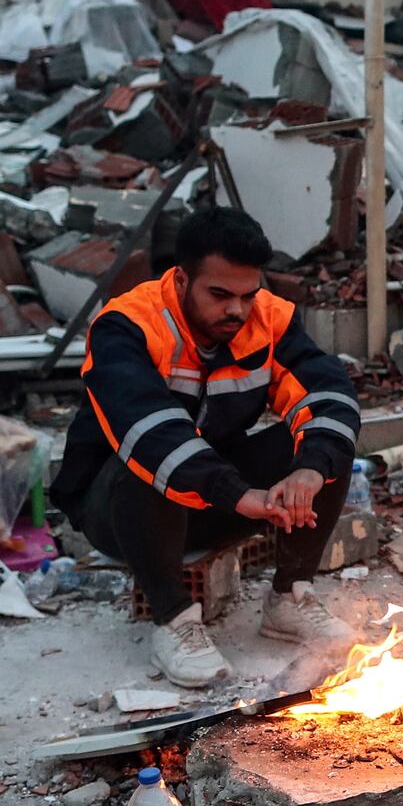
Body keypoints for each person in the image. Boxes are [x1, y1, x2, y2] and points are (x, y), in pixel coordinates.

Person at [52, 205, 362, 685]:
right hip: (119, 511)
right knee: (147, 457)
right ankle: (174, 621)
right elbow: (151, 429)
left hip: (214, 500)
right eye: (219, 294)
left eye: (247, 294)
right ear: (179, 281)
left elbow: (327, 392)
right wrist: (240, 494)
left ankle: (288, 598)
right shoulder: (125, 326)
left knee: (323, 444)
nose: (236, 310)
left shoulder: (268, 320)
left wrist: (311, 470)